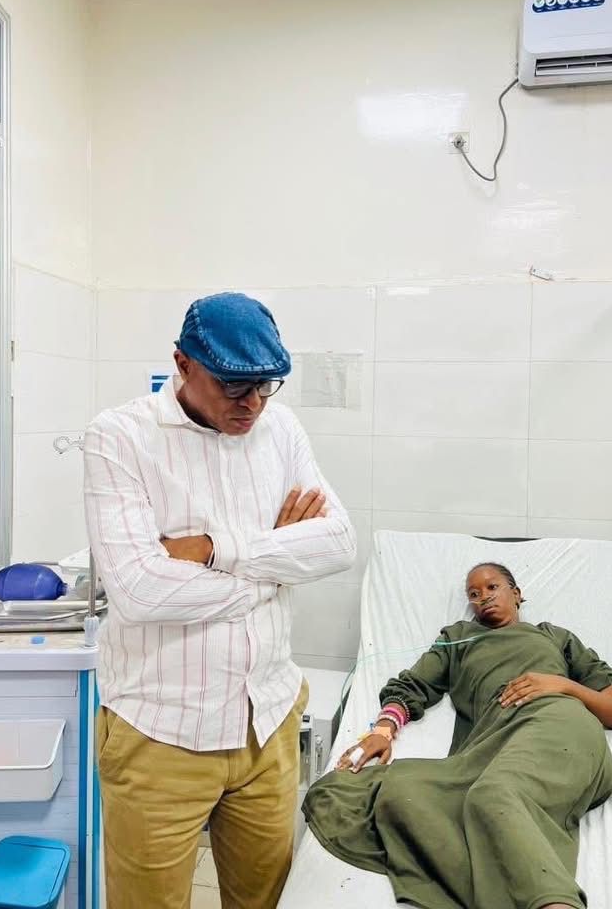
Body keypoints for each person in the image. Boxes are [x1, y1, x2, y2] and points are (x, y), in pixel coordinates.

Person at [84, 292, 356, 909]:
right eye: (234, 385)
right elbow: (140, 592)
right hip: (161, 734)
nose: (252, 403)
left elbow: (339, 543)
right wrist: (277, 566)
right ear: (183, 365)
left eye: (265, 385)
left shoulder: (280, 429)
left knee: (263, 901)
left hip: (269, 722)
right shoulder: (120, 438)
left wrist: (214, 549)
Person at [302, 562, 612, 909]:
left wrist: (561, 685)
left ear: (517, 594)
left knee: (492, 795)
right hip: (492, 742)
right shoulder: (458, 639)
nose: (483, 597)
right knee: (388, 794)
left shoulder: (554, 637)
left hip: (557, 721)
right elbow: (414, 685)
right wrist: (384, 729)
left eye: (492, 587)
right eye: (473, 594)